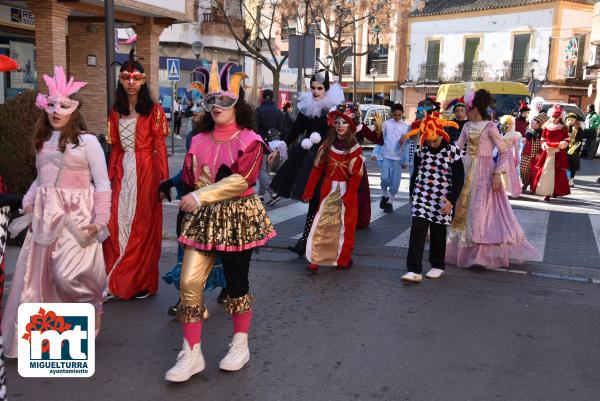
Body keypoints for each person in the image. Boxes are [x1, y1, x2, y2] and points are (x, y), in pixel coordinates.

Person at [165, 59, 276, 382]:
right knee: (188, 284)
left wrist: (201, 195)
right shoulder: (197, 141)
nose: (217, 106)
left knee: (236, 286)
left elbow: (243, 180)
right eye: (211, 100)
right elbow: (188, 176)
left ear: (237, 104)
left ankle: (240, 344)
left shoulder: (250, 140)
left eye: (224, 100)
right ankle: (191, 353)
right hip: (203, 220)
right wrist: (177, 187)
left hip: (237, 217)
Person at [2, 66, 111, 357]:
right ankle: (48, 339)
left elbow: (101, 182)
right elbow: (41, 179)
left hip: (77, 218)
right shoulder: (42, 142)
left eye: (64, 105)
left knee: (70, 277)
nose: (56, 110)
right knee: (39, 278)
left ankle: (92, 312)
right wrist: (27, 201)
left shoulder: (87, 142)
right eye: (51, 104)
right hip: (45, 219)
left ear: (74, 110)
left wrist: (100, 221)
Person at [103, 49, 169, 300]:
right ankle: (114, 277)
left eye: (136, 78)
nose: (131, 83)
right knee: (114, 222)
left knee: (142, 226)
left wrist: (163, 181)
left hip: (146, 170)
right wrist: (107, 178)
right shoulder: (115, 110)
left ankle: (138, 282)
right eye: (125, 78)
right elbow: (116, 147)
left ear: (143, 80)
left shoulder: (154, 110)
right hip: (122, 169)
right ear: (120, 80)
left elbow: (160, 146)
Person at [446, 89, 537, 268]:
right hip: (467, 170)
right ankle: (467, 252)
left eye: (467, 108)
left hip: (485, 173)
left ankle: (480, 256)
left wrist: (497, 174)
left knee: (479, 212)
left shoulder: (490, 127)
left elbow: (503, 152)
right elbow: (457, 147)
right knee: (465, 212)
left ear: (474, 108)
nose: (464, 111)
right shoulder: (466, 126)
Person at [160, 103, 228, 316]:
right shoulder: (192, 136)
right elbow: (188, 168)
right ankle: (186, 300)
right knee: (188, 250)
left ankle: (228, 287)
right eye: (197, 108)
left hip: (215, 202)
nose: (197, 112)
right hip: (191, 201)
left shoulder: (225, 137)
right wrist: (170, 182)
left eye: (202, 109)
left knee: (216, 250)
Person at [268, 71, 344, 255]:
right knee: (315, 201)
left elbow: (342, 134)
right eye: (313, 88)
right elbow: (294, 132)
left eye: (319, 88)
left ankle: (325, 243)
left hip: (328, 161)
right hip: (309, 158)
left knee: (324, 202)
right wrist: (279, 148)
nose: (316, 92)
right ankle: (306, 241)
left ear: (326, 89)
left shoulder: (333, 111)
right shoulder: (307, 108)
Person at [401, 113, 464, 282]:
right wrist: (412, 193)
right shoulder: (421, 149)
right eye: (427, 140)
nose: (430, 143)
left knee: (438, 232)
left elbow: (459, 177)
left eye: (433, 140)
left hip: (442, 197)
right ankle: (413, 270)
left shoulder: (452, 151)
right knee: (417, 231)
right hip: (422, 196)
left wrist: (451, 199)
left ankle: (437, 265)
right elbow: (416, 173)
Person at [302, 104, 363, 272]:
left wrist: (350, 196)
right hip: (328, 191)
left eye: (344, 122)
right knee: (321, 223)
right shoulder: (327, 146)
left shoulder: (355, 150)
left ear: (351, 125)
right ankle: (315, 259)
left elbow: (356, 177)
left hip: (346, 193)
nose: (340, 125)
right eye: (337, 122)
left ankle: (343, 259)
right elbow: (316, 170)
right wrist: (308, 191)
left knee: (346, 226)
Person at [531, 105, 570, 202]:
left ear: (559, 118)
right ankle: (547, 193)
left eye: (556, 117)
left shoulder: (563, 128)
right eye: (552, 117)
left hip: (558, 153)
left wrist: (564, 144)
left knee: (557, 173)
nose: (553, 119)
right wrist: (544, 145)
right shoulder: (546, 127)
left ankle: (555, 191)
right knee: (546, 173)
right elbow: (543, 139)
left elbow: (567, 139)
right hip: (548, 152)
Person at [379, 104, 410, 213]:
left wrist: (406, 160)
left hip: (398, 159)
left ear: (402, 113)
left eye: (399, 115)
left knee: (395, 182)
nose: (397, 117)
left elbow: (407, 145)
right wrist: (376, 154)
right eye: (395, 115)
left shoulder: (406, 126)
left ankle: (390, 202)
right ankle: (385, 195)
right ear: (391, 113)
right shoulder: (386, 124)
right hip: (386, 156)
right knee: (384, 178)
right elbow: (380, 140)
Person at [255, 89, 285, 204]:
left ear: (263, 97)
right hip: (274, 144)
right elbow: (283, 129)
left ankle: (273, 192)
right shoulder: (278, 111)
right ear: (272, 98)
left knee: (260, 170)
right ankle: (261, 195)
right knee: (266, 170)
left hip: (262, 144)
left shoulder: (258, 111)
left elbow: (255, 129)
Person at [520, 113, 548, 192]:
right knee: (523, 170)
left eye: (534, 122)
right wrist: (524, 140)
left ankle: (534, 187)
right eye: (532, 121)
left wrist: (540, 153)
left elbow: (544, 145)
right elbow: (525, 139)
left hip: (535, 156)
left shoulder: (543, 133)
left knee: (533, 172)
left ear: (540, 124)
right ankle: (525, 183)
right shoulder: (529, 130)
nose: (532, 122)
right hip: (526, 153)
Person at [498, 115, 522, 198]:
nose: (508, 125)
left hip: (509, 156)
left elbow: (516, 148)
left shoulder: (514, 135)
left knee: (509, 173)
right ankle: (501, 190)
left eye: (510, 123)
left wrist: (517, 158)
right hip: (499, 155)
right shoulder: (499, 133)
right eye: (506, 123)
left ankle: (509, 190)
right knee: (499, 172)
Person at [565, 112, 584, 187]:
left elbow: (579, 141)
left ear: (575, 120)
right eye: (569, 119)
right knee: (566, 165)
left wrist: (573, 149)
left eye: (572, 119)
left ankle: (571, 180)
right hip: (565, 149)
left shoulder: (579, 129)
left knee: (573, 166)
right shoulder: (564, 128)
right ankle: (566, 178)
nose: (571, 121)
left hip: (574, 151)